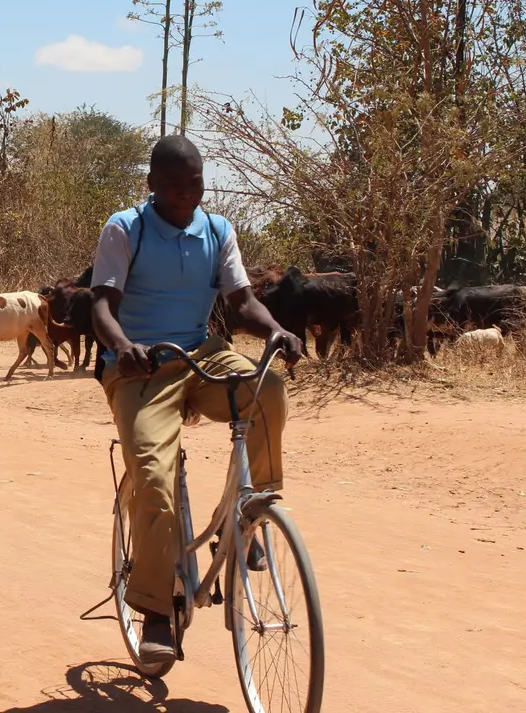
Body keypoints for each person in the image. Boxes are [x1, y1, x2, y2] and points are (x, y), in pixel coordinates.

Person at [89, 134, 303, 667]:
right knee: (155, 480)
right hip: (141, 366)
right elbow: (101, 306)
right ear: (151, 186)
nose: (187, 195)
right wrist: (122, 347)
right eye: (174, 186)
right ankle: (158, 612)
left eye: (195, 184)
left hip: (201, 353)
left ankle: (247, 513)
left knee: (266, 388)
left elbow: (243, 301)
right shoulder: (126, 229)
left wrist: (276, 331)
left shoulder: (218, 230)